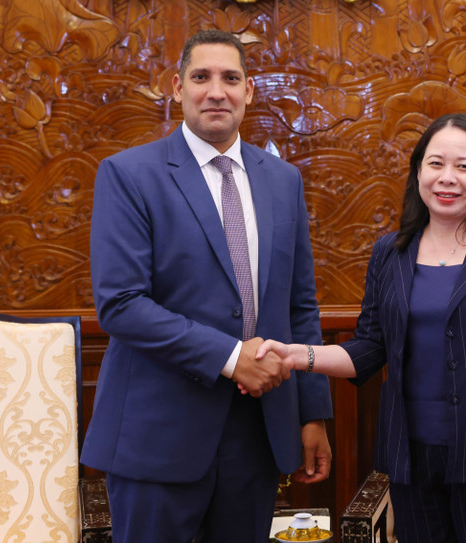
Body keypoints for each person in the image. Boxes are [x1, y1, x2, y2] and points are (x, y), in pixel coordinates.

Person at [80, 29, 333, 543]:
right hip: (158, 436)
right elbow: (121, 305)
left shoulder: (283, 180)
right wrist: (231, 356)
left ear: (249, 91)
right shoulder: (128, 175)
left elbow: (300, 306)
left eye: (230, 79)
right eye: (201, 77)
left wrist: (313, 414)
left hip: (257, 434)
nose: (216, 91)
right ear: (177, 88)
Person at [257, 113, 466, 542]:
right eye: (435, 164)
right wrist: (298, 355)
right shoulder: (389, 253)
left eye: (463, 166)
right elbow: (369, 347)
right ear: (418, 172)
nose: (447, 177)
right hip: (411, 463)